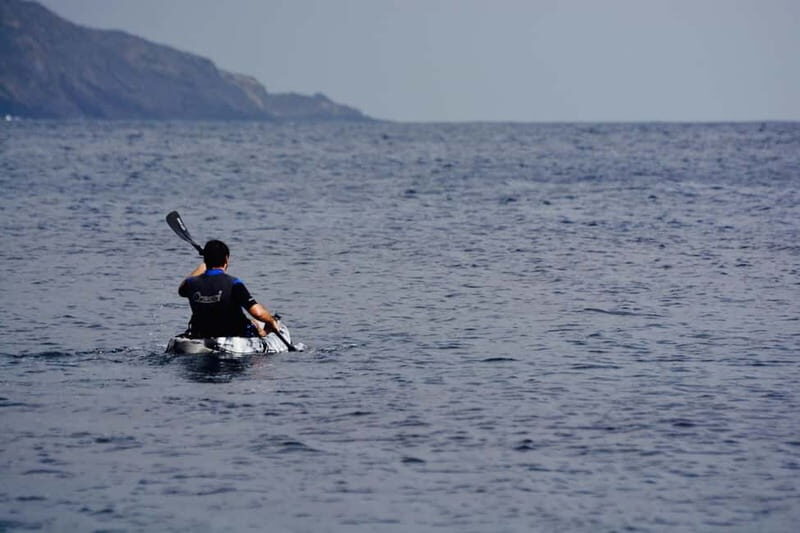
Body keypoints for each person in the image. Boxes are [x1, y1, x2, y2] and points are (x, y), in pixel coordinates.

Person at [178, 239, 281, 338]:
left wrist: (204, 264)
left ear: (205, 260)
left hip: (201, 333)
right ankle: (263, 333)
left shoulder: (190, 283)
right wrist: (271, 321)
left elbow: (181, 290)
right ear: (226, 259)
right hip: (233, 334)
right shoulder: (234, 283)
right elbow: (257, 313)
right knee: (257, 323)